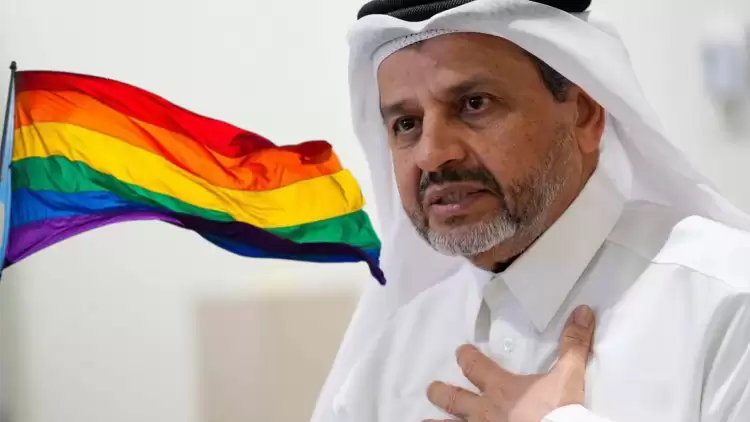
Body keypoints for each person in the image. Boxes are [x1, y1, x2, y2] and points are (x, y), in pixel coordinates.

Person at [312, 1, 750, 421]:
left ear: (584, 115)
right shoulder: (387, 361)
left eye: (474, 104)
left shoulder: (727, 304)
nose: (432, 154)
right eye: (406, 124)